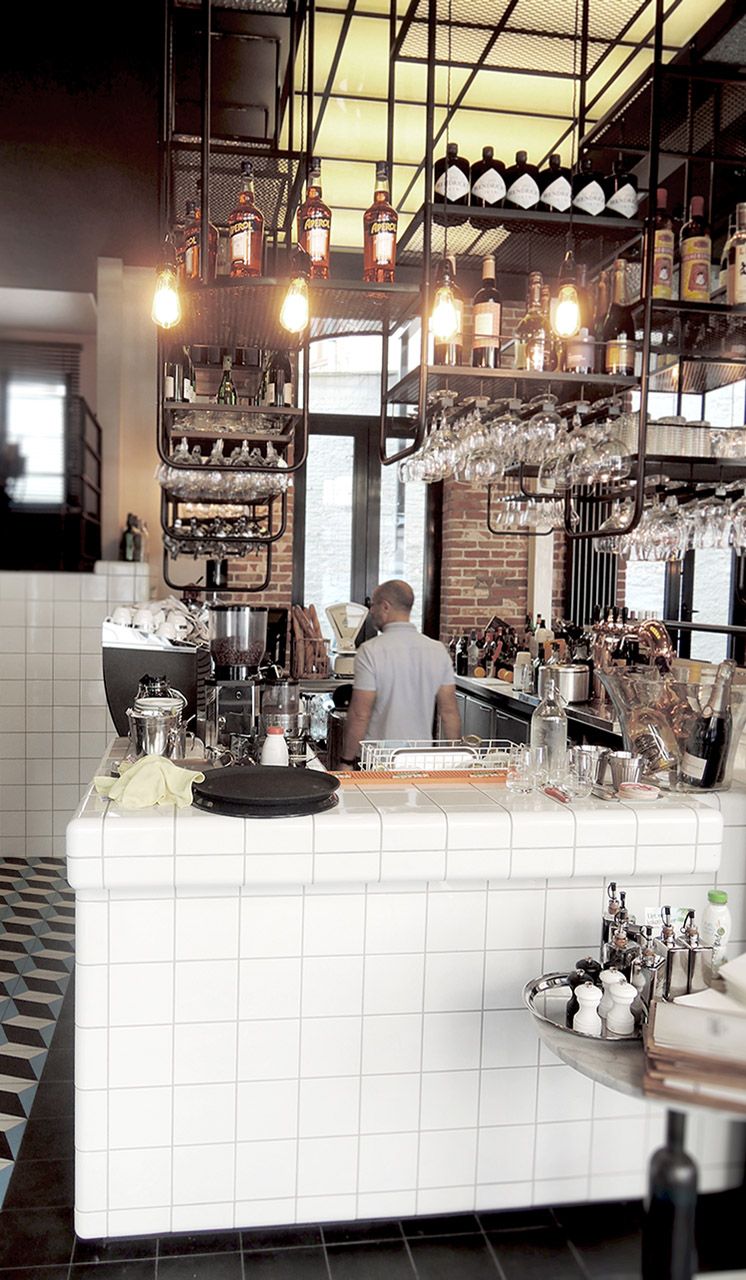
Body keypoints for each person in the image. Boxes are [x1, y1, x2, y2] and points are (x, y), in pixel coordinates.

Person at [340, 579, 462, 767]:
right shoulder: (437, 650)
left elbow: (359, 714)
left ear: (385, 607)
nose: (371, 611)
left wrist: (346, 760)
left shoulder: (370, 651)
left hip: (378, 762)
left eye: (373, 605)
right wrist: (456, 763)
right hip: (421, 762)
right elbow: (449, 712)